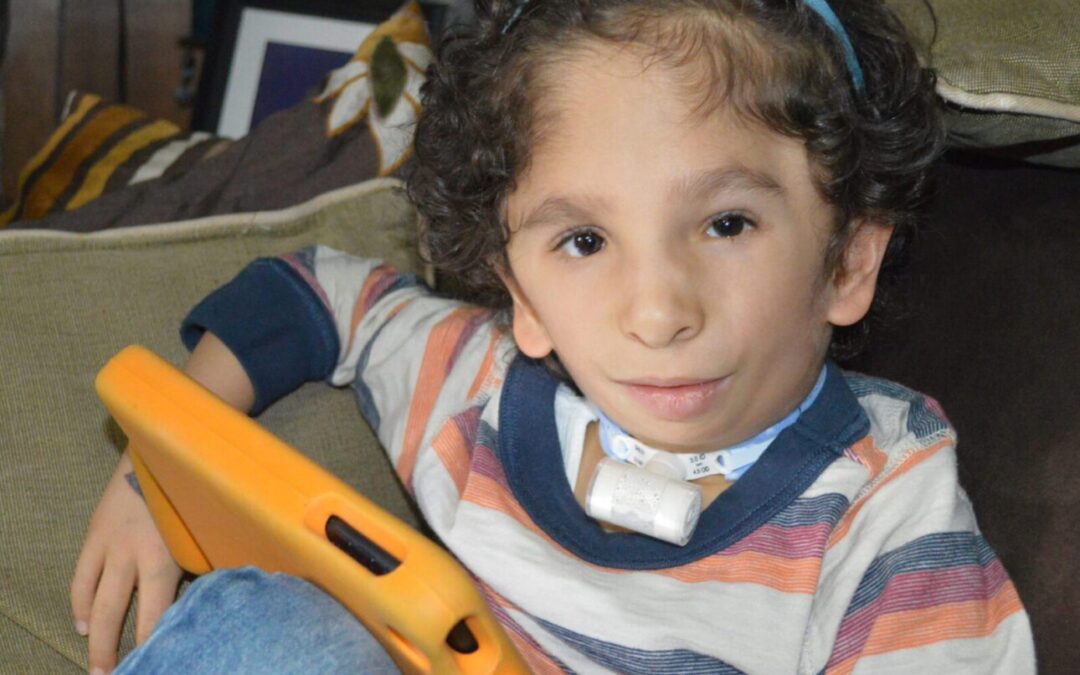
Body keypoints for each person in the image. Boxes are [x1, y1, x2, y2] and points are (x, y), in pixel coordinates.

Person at [70, 0, 1037, 672]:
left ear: (847, 261)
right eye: (583, 241)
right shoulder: (479, 383)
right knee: (273, 626)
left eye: (727, 224)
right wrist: (157, 470)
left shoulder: (881, 502)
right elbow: (321, 293)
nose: (657, 313)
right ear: (519, 294)